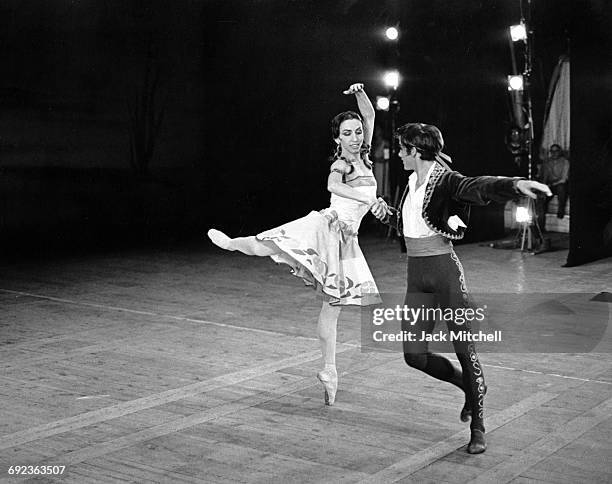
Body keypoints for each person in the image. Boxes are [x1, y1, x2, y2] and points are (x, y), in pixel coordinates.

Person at [207, 83, 390, 406]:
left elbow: (371, 114)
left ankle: (329, 372)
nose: (356, 137)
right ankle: (233, 243)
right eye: (347, 133)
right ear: (337, 139)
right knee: (272, 245)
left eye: (358, 132)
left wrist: (361, 93)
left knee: (332, 309)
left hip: (347, 242)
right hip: (326, 226)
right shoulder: (342, 165)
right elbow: (332, 185)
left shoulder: (363, 157)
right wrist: (367, 196)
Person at [382, 123, 551, 454]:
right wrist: (386, 214)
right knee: (413, 356)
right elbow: (409, 226)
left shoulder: (445, 179)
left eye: (402, 148)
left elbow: (478, 186)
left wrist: (514, 184)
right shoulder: (411, 182)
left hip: (444, 273)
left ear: (415, 150)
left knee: (464, 347)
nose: (399, 153)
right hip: (416, 275)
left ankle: (478, 427)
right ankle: (469, 385)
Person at [538, 144, 569, 229]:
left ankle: (560, 210)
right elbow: (544, 177)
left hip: (561, 185)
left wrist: (552, 184)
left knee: (561, 188)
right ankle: (540, 226)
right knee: (541, 200)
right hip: (550, 186)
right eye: (552, 151)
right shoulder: (547, 162)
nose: (554, 153)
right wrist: (543, 189)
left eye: (556, 151)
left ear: (559, 152)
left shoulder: (565, 162)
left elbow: (564, 179)